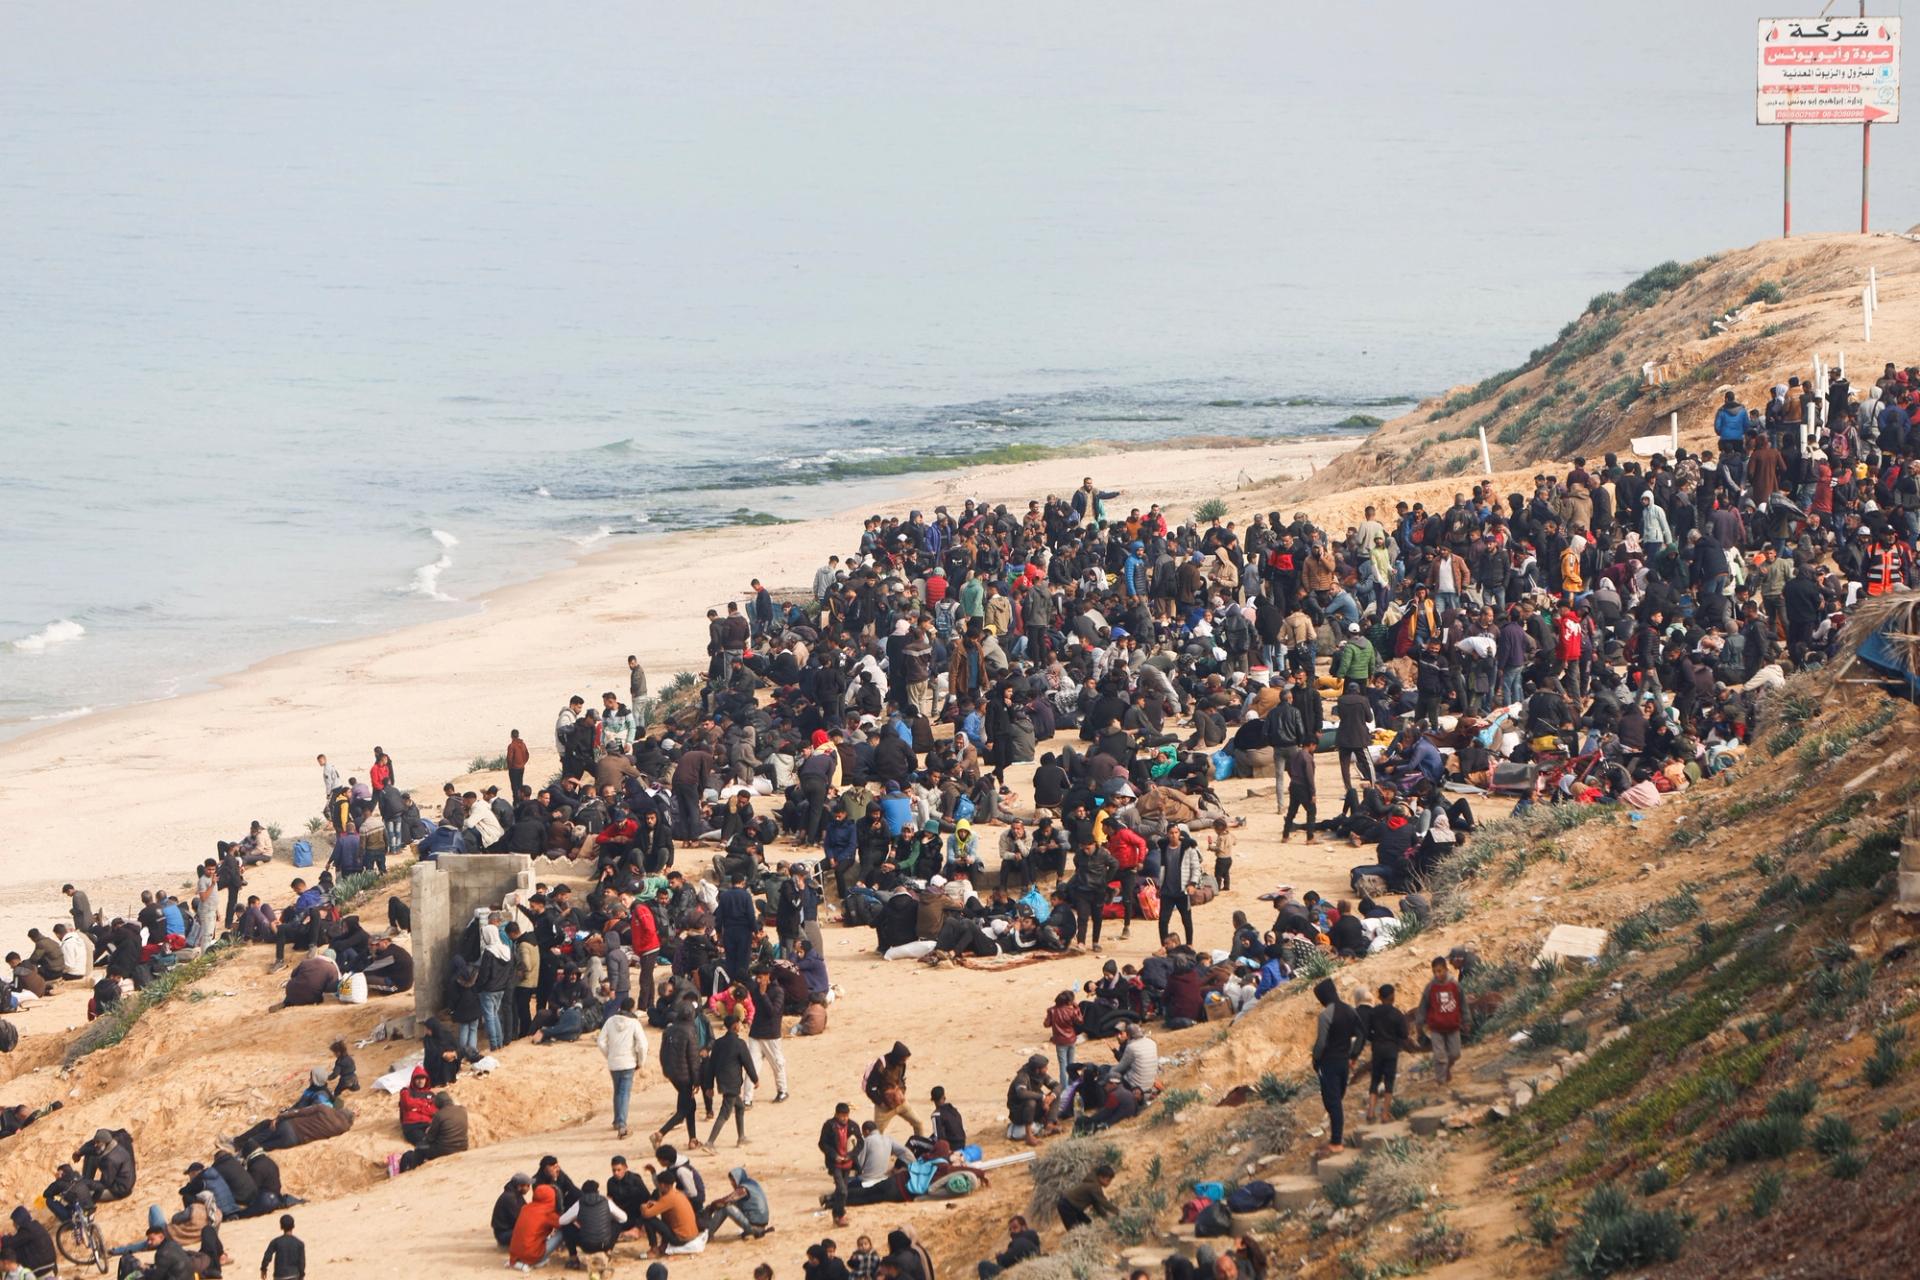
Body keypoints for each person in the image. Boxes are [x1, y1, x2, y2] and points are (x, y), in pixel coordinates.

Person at [1309, 978, 1363, 1155]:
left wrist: (1315, 1059)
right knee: (1336, 1100)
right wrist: (1354, 1055)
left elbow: (1321, 1043)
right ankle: (1336, 1138)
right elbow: (1361, 1035)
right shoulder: (1350, 1010)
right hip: (1344, 1062)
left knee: (1332, 1102)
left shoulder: (1326, 1015)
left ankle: (1337, 1142)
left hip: (1328, 1063)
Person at [597, 995, 650, 1140]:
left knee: (617, 1091)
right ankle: (622, 1125)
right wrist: (641, 1062)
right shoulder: (634, 1023)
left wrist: (609, 1054)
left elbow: (601, 1041)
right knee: (624, 1093)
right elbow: (642, 1045)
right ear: (632, 1008)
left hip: (614, 1062)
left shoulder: (610, 1021)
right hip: (628, 1062)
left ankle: (616, 1120)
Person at [705, 1014, 757, 1149]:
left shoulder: (718, 1043)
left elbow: (712, 1065)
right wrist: (755, 1079)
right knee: (725, 1112)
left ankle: (741, 1137)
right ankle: (710, 1142)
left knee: (739, 1107)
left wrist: (709, 1086)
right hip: (733, 1083)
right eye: (739, 1024)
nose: (740, 1026)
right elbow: (748, 1063)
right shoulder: (739, 1044)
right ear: (735, 1026)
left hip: (722, 1081)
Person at [1414, 955, 1467, 1086]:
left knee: (1455, 1053)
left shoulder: (1454, 985)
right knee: (1440, 1056)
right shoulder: (1430, 987)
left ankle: (1447, 1068)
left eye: (1439, 971)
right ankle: (1441, 1082)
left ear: (1446, 969)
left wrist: (1467, 1020)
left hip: (1453, 1026)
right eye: (1434, 972)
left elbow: (1463, 1003)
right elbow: (1423, 1006)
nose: (1437, 974)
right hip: (1436, 1027)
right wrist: (1419, 1025)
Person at [1363, 983, 1410, 1125]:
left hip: (1377, 1049)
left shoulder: (1373, 1012)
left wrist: (1374, 1039)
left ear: (1379, 997)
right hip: (1391, 1050)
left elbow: (1366, 1031)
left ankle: (1371, 1111)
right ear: (1393, 997)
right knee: (1389, 1082)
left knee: (1375, 1080)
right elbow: (1404, 1034)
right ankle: (1384, 1114)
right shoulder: (1397, 1014)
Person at [863, 1041, 922, 1137]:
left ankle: (921, 1147)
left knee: (918, 1123)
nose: (904, 1062)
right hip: (884, 1108)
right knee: (876, 1135)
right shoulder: (881, 1065)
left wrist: (901, 1092)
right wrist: (880, 1103)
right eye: (903, 1059)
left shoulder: (902, 1064)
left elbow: (902, 1079)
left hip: (900, 1102)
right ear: (896, 1057)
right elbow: (870, 1088)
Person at [700, 1166, 772, 1241]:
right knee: (733, 1204)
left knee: (726, 1207)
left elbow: (726, 1201)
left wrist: (712, 1205)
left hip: (754, 1227)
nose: (732, 1183)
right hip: (761, 1226)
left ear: (738, 1178)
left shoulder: (743, 1189)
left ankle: (707, 1234)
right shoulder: (752, 1184)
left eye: (733, 1180)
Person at [976, 1216, 1041, 1280]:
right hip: (1025, 1270)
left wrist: (999, 1257)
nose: (1012, 1231)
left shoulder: (1020, 1241)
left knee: (983, 1265)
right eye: (1010, 1229)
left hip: (1017, 1273)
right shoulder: (1034, 1240)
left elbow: (1006, 1262)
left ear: (1024, 1227)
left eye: (1015, 1228)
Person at [1056, 1164, 1116, 1229]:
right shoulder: (1094, 1187)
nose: (1109, 1183)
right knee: (1074, 1230)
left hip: (1073, 1207)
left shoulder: (1093, 1183)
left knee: (1088, 1225)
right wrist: (1118, 1212)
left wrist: (1106, 1218)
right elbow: (1104, 1203)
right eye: (1108, 1180)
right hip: (1066, 1206)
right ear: (1101, 1177)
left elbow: (1097, 1205)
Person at [261, 1213, 305, 1280]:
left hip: (279, 1276)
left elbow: (267, 1256)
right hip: (294, 1275)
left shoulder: (276, 1242)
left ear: (281, 1227)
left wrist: (263, 1269)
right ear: (293, 1226)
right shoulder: (299, 1243)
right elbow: (302, 1263)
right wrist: (301, 1275)